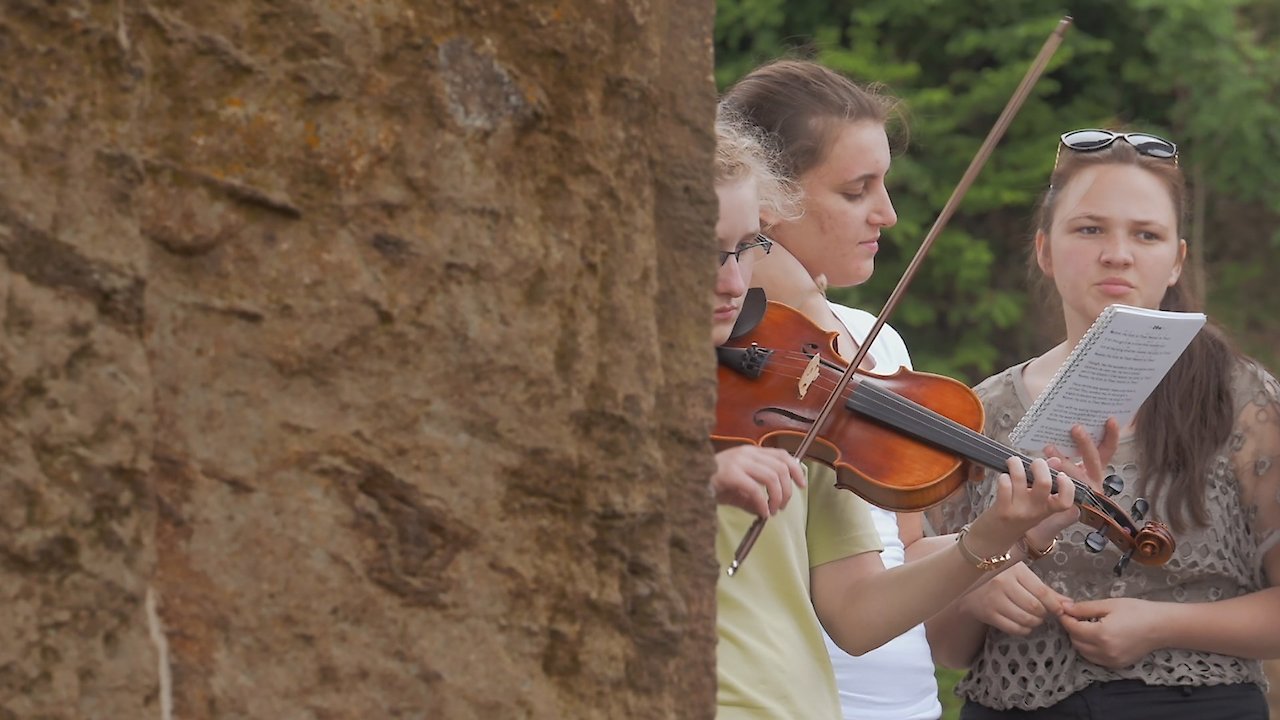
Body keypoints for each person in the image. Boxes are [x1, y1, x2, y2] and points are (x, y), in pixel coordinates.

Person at [710, 60, 1081, 720]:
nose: (887, 213)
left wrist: (1001, 536)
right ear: (776, 205)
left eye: (743, 250)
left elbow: (859, 608)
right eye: (856, 190)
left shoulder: (817, 376)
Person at [926, 129, 1280, 719]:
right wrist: (977, 588)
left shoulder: (1242, 399)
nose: (1117, 253)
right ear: (1045, 249)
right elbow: (949, 647)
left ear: (1176, 261)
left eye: (1146, 235)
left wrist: (1163, 625)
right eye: (1089, 229)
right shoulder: (981, 413)